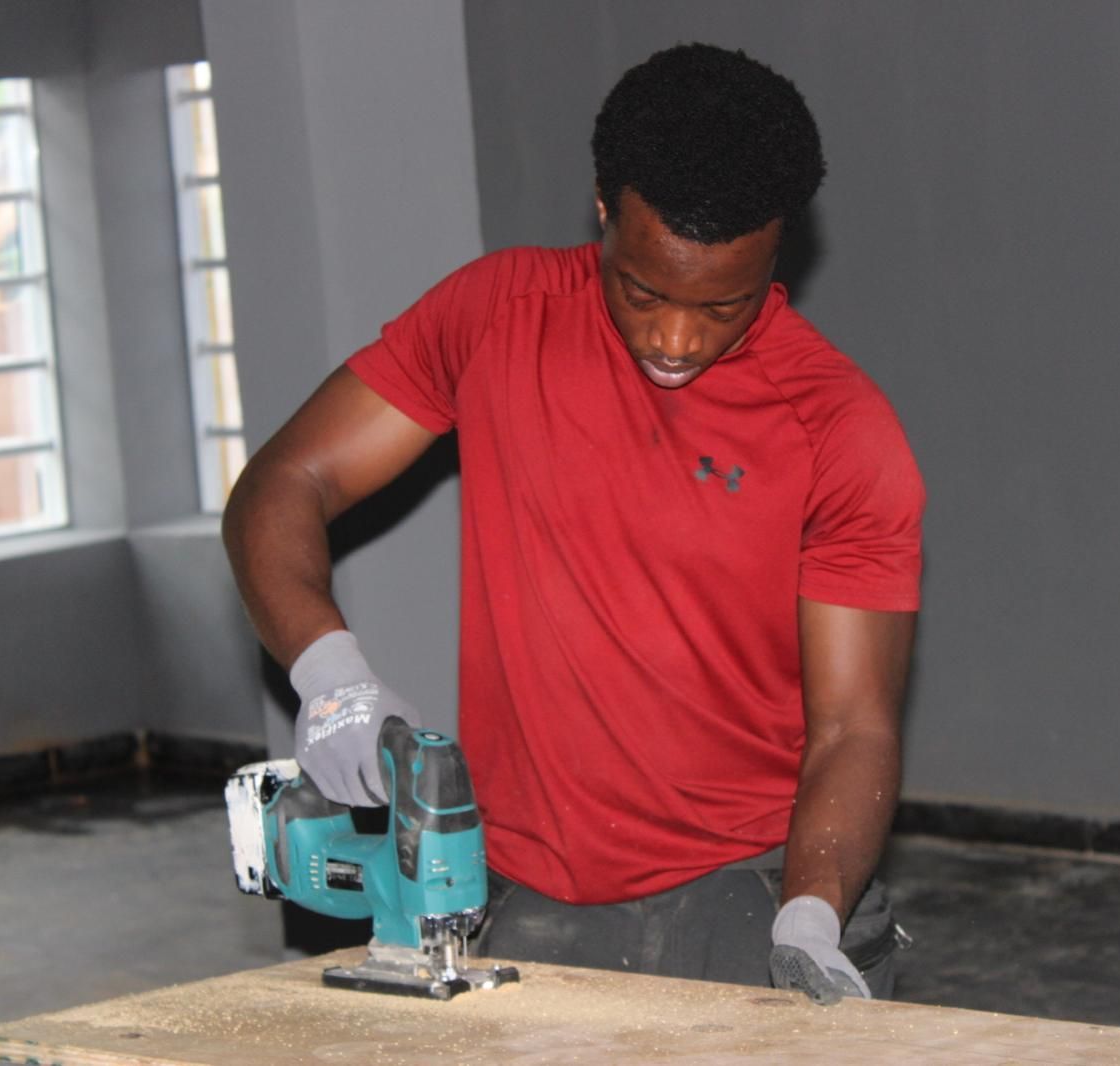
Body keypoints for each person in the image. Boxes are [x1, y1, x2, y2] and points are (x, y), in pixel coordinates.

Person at [222, 42, 924, 1006]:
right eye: (643, 291)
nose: (674, 339)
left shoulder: (838, 427)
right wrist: (328, 675)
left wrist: (812, 912)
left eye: (721, 306)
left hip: (752, 884)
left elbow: (853, 725)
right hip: (526, 894)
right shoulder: (496, 316)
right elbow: (286, 481)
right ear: (603, 210)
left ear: (777, 250)